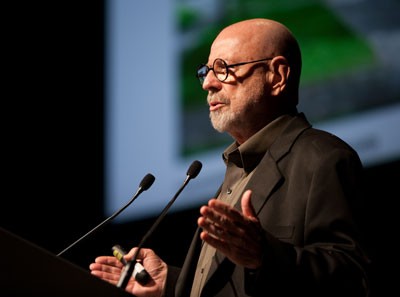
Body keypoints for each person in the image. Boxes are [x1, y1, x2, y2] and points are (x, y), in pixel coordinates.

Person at [89, 18, 371, 297]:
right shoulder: (238, 166)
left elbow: (352, 277)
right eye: (207, 70)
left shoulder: (324, 159)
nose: (207, 84)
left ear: (277, 76)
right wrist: (172, 283)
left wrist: (265, 254)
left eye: (223, 68)